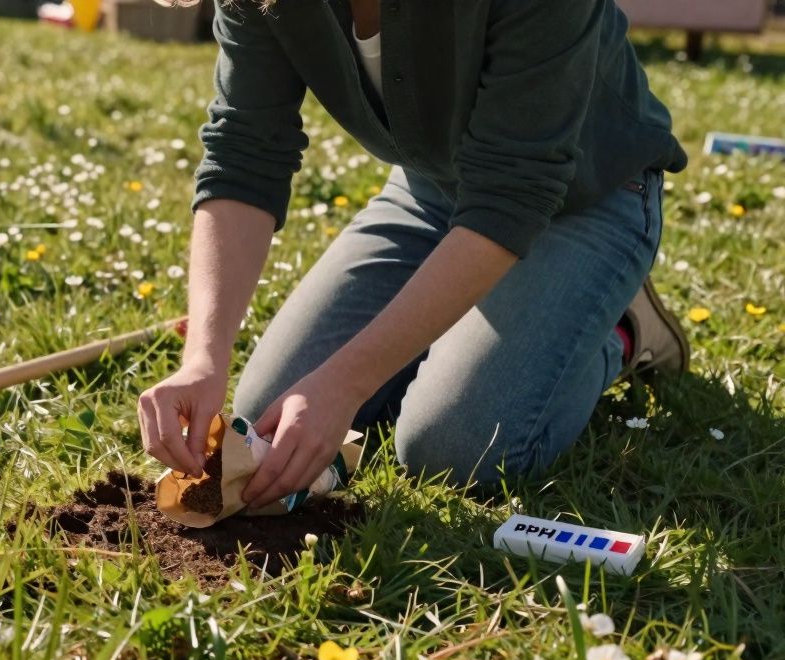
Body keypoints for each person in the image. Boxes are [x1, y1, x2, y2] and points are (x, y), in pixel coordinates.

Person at [138, 0, 690, 511]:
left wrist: (346, 382)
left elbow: (513, 194)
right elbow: (243, 153)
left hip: (584, 202)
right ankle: (476, 330)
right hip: (431, 195)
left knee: (454, 448)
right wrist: (204, 358)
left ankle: (620, 326)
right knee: (269, 413)